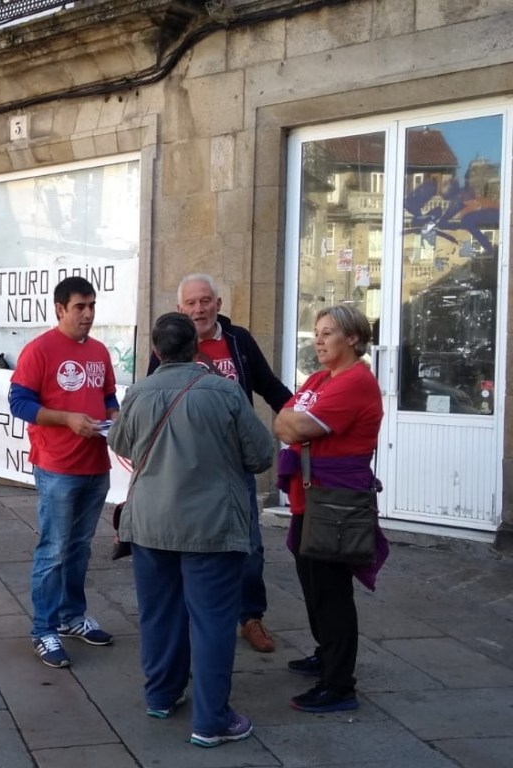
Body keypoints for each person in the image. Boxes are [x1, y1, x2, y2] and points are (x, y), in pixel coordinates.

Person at [110, 312, 274, 748]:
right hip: (211, 525)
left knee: (159, 614)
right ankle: (211, 719)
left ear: (157, 351)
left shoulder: (138, 392)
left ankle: (161, 695)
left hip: (149, 524)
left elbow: (120, 444)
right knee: (213, 621)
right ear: (195, 348)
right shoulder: (224, 392)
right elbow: (261, 455)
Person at [148, 274, 291, 653]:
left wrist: (301, 416)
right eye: (192, 303)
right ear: (180, 309)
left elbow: (269, 386)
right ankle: (195, 615)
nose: (199, 309)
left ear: (219, 303)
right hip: (185, 467)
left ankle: (250, 617)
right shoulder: (168, 343)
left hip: (234, 466)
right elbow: (152, 396)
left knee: (250, 546)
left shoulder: (238, 341)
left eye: (206, 300)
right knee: (185, 546)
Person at [273, 304, 384, 713]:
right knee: (313, 584)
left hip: (335, 501)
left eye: (328, 333)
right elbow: (284, 418)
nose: (317, 340)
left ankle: (339, 684)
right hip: (312, 497)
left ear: (352, 338)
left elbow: (293, 426)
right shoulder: (322, 378)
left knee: (331, 591)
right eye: (316, 332)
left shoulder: (354, 382)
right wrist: (290, 420)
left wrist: (292, 421)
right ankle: (326, 654)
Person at [8, 276, 119, 669]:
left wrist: (116, 420)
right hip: (57, 466)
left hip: (95, 463)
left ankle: (73, 616)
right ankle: (43, 629)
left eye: (92, 306)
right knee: (53, 549)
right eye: (80, 307)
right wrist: (66, 419)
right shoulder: (39, 350)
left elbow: (108, 395)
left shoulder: (101, 351)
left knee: (80, 547)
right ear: (60, 309)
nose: (88, 314)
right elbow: (18, 402)